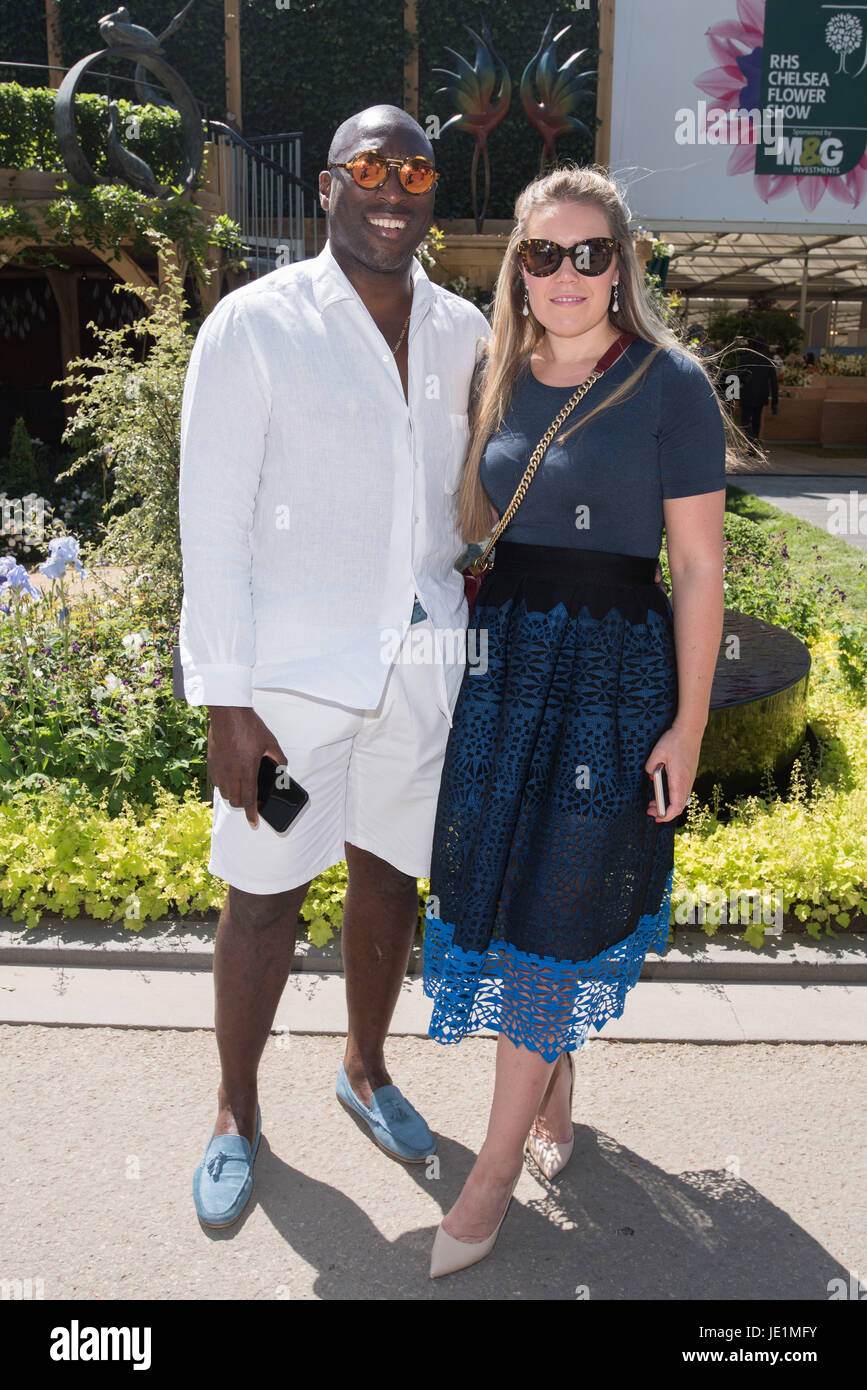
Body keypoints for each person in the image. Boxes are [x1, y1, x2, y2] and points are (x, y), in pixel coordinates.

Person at [178, 105, 490, 1227]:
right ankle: (235, 1109)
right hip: (288, 695)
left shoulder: (464, 332)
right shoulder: (254, 326)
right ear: (326, 185)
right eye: (369, 164)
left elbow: (473, 494)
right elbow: (210, 523)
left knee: (390, 879)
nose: (392, 185)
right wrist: (225, 704)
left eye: (413, 167)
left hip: (421, 673)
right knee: (263, 894)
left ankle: (365, 1067)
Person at [422, 165, 730, 1277]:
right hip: (508, 676)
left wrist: (687, 726)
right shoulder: (496, 375)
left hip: (609, 682)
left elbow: (697, 569)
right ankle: (552, 1076)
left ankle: (493, 1172)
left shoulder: (669, 384)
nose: (564, 274)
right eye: (541, 254)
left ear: (622, 264)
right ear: (518, 267)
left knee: (554, 908)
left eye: (588, 252)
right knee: (512, 893)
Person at [738, 338, 779, 441]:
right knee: (757, 421)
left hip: (747, 394)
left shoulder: (744, 360)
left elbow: (739, 377)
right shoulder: (767, 361)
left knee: (745, 421)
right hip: (761, 395)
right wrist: (774, 402)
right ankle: (754, 443)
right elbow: (774, 382)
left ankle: (751, 442)